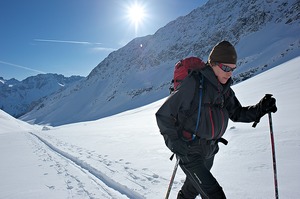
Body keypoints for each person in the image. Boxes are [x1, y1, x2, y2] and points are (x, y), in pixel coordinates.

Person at [155, 40, 277, 199]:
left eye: (233, 69)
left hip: (210, 151)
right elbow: (163, 114)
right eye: (225, 68)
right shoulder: (194, 83)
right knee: (215, 195)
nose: (229, 73)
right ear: (213, 64)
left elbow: (238, 113)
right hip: (189, 151)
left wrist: (261, 108)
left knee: (192, 190)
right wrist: (174, 143)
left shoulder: (224, 90)